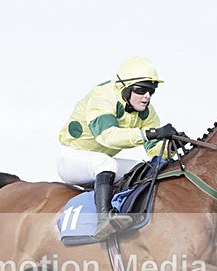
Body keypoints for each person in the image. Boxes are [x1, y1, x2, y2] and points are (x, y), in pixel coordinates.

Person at [57, 56, 179, 240]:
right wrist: (150, 133)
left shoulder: (147, 112)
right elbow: (107, 137)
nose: (147, 96)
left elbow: (154, 151)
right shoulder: (102, 97)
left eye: (151, 91)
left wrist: (170, 146)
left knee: (143, 169)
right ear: (125, 88)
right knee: (105, 163)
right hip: (72, 158)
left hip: (101, 163)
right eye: (141, 90)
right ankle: (104, 219)